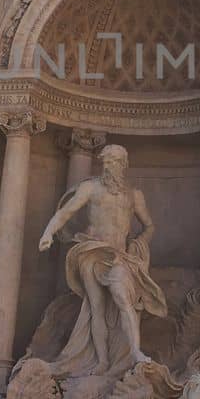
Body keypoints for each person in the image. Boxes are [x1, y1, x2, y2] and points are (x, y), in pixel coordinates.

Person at [38, 143, 167, 377]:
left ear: (124, 164)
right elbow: (65, 213)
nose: (109, 166)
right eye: (106, 161)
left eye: (115, 161)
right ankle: (102, 361)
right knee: (95, 308)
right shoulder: (91, 188)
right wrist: (48, 233)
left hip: (119, 255)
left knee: (122, 297)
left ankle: (135, 352)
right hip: (93, 252)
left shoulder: (134, 195)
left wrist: (138, 242)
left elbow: (149, 226)